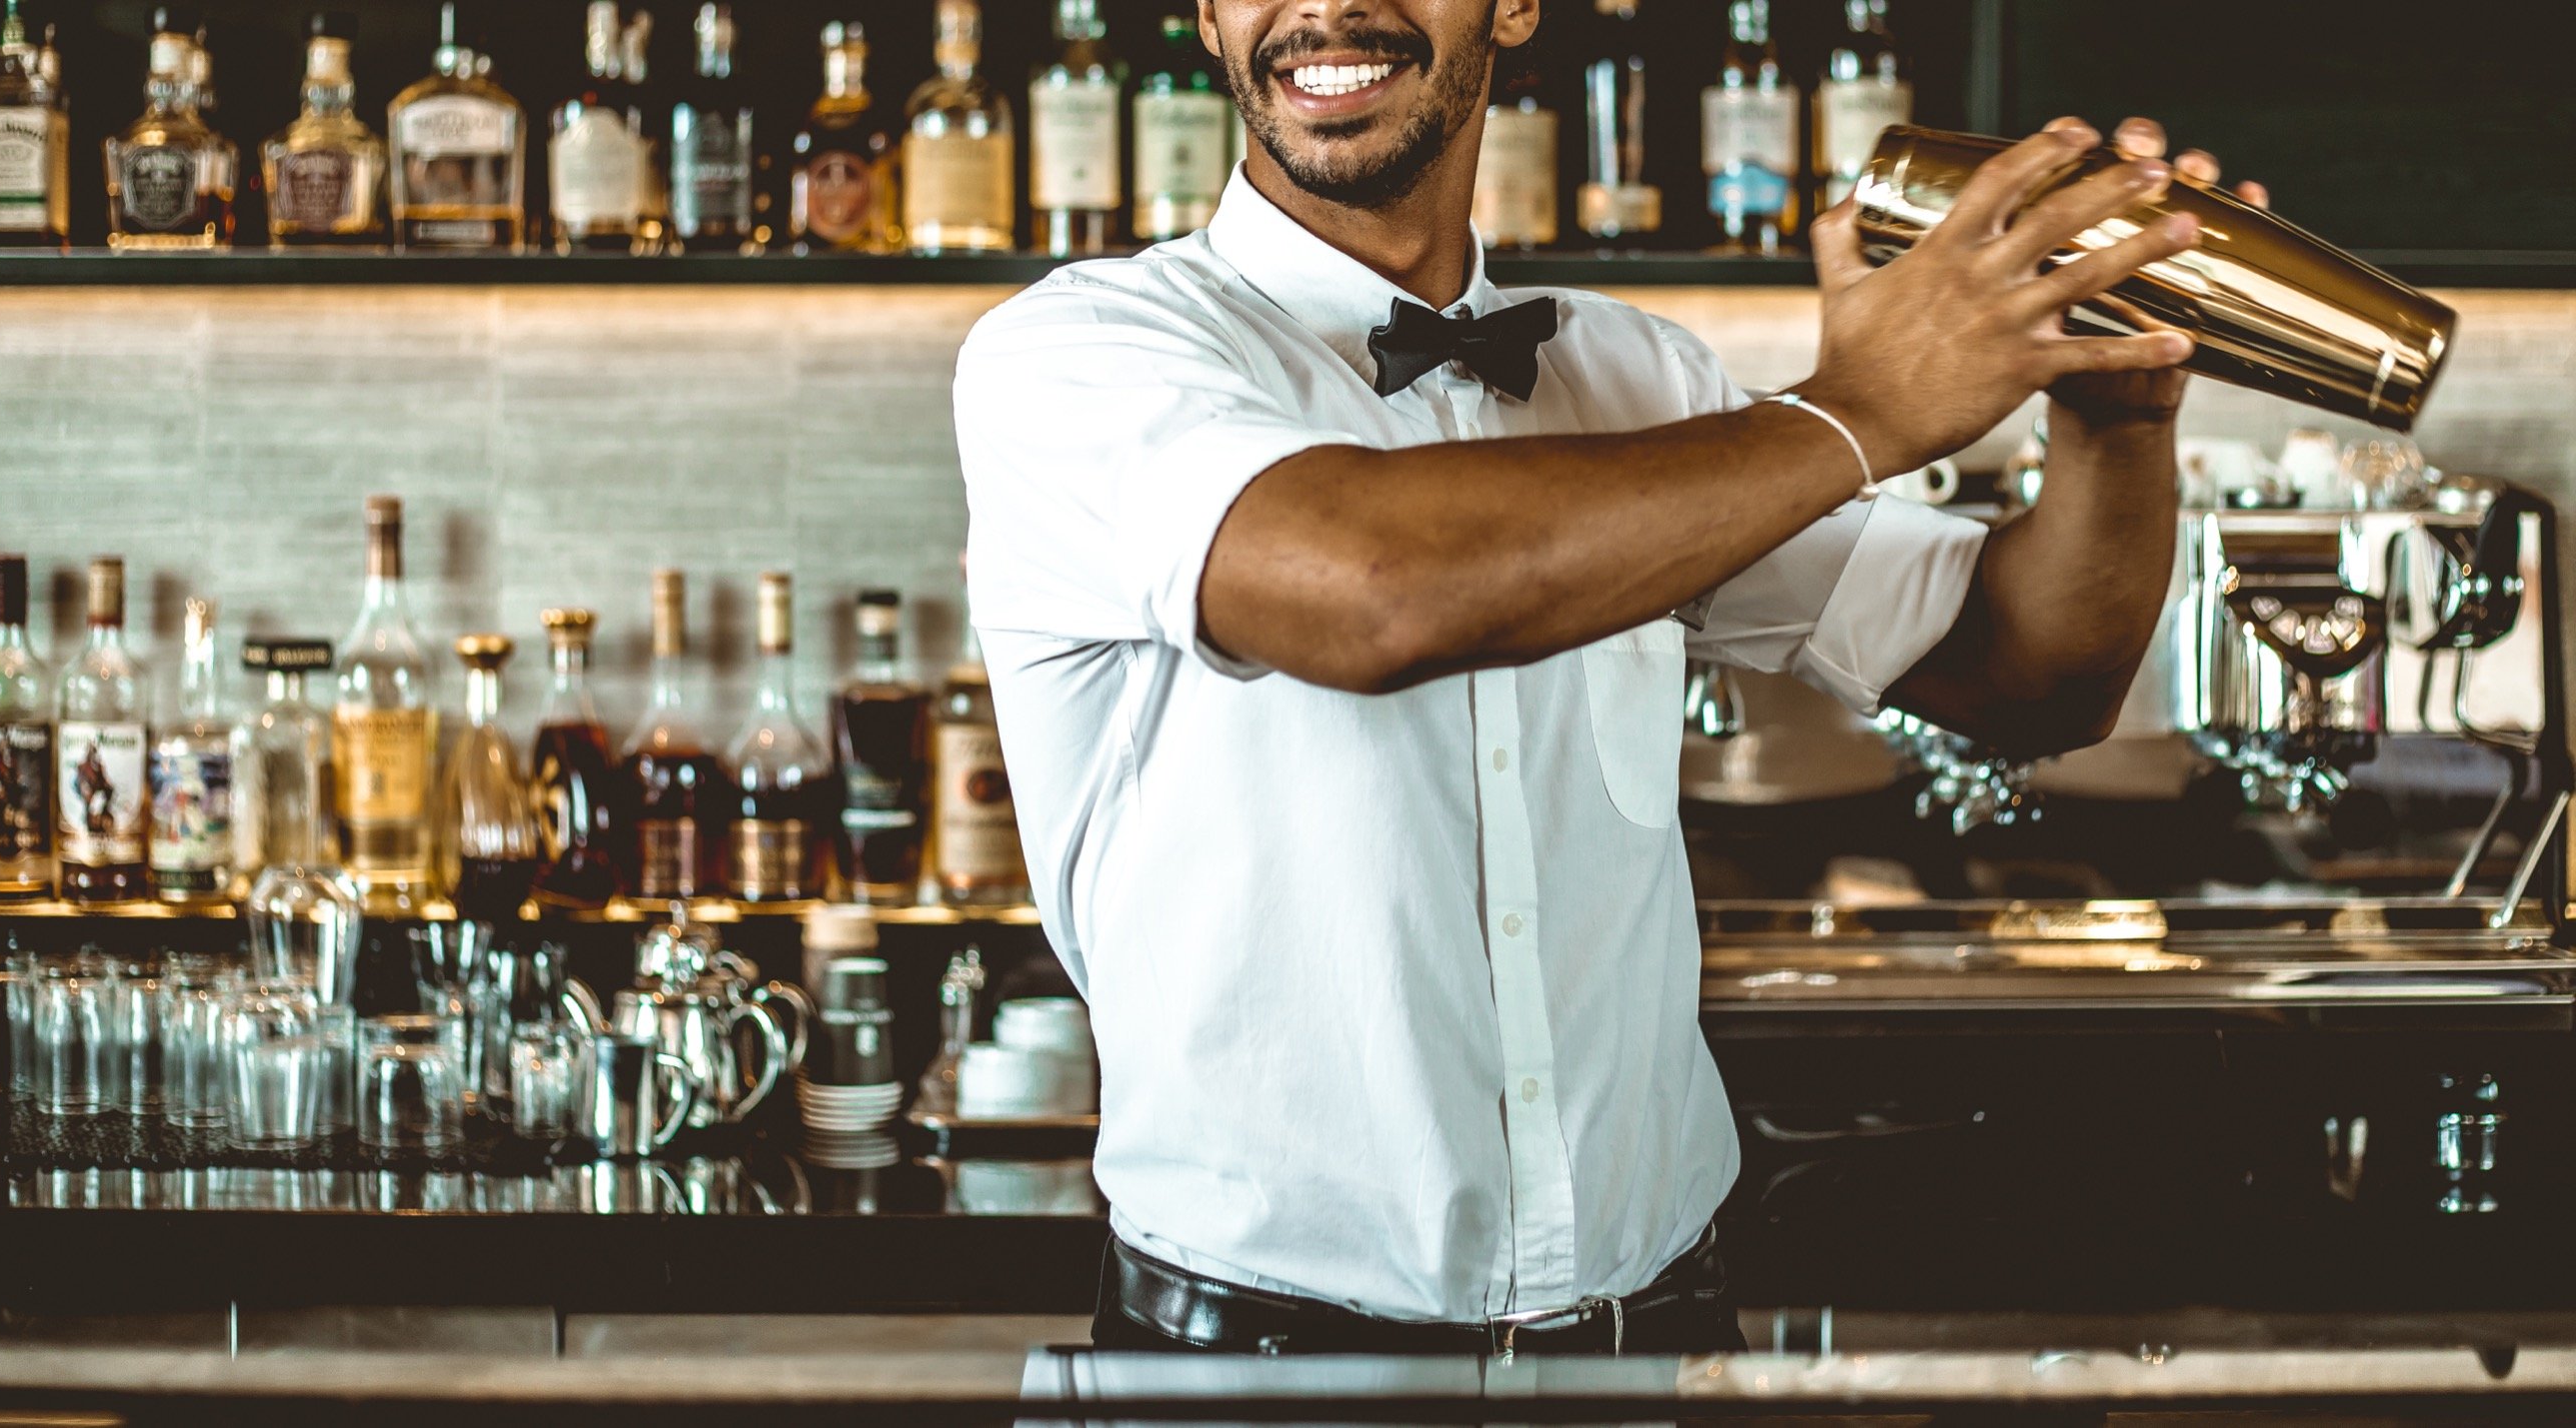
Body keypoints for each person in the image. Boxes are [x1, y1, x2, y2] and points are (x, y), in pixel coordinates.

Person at [953, 0, 2266, 1357]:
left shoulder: (1642, 378)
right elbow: (1373, 590)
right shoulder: (1079, 353)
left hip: (1655, 1340)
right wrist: (1860, 409)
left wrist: (2115, 416)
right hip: (1253, 1364)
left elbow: (2030, 669)